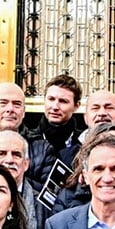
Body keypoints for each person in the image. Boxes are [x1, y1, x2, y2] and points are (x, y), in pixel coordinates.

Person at [26, 74, 85, 209]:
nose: (55, 106)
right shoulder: (27, 141)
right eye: (51, 99)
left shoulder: (84, 144)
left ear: (76, 106)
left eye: (63, 101)